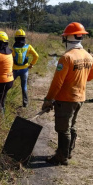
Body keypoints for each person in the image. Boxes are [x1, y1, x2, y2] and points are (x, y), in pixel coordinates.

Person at [42, 22, 93, 165]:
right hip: (80, 98)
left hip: (66, 100)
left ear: (66, 38)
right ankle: (68, 152)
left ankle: (61, 157)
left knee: (63, 128)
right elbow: (89, 76)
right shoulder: (88, 56)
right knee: (72, 126)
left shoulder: (66, 57)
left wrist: (48, 99)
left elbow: (57, 83)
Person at [12, 29, 39, 107]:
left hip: (15, 70)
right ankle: (25, 103)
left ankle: (2, 99)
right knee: (24, 86)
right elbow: (36, 56)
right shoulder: (28, 47)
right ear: (24, 38)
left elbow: (10, 58)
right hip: (25, 70)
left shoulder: (13, 48)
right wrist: (31, 64)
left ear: (16, 38)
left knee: (8, 84)